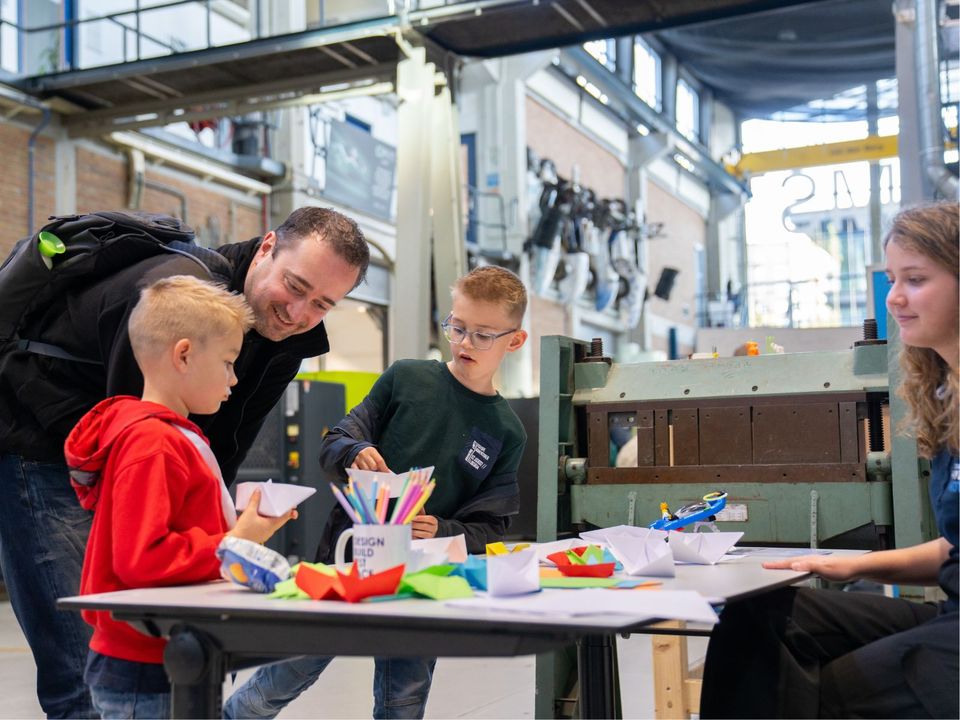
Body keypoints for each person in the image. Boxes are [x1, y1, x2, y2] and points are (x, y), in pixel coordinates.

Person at [0, 206, 368, 718]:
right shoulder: (176, 299)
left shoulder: (290, 335)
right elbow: (134, 499)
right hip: (36, 442)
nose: (299, 312)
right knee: (79, 665)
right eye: (295, 285)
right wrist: (225, 544)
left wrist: (220, 535)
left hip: (119, 447)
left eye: (322, 304)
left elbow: (222, 446)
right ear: (266, 248)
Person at [224, 264, 529, 720]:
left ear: (515, 340)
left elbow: (492, 526)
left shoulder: (506, 431)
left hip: (421, 584)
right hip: (345, 565)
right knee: (282, 677)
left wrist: (442, 528)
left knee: (403, 701)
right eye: (457, 327)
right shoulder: (407, 378)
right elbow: (335, 442)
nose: (465, 343)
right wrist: (356, 450)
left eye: (483, 335)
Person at [699, 201, 959, 719]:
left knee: (830, 693)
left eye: (916, 278)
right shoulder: (945, 397)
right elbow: (955, 549)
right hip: (951, 614)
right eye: (892, 279)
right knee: (756, 617)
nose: (896, 297)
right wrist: (850, 564)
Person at [65, 276, 297, 719]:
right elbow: (142, 559)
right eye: (228, 362)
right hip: (146, 662)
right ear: (185, 355)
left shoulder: (172, 437)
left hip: (173, 650)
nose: (233, 379)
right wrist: (233, 545)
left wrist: (243, 532)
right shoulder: (153, 443)